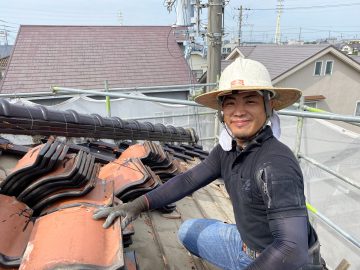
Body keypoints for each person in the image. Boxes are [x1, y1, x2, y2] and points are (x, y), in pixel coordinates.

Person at [93, 58, 325, 270]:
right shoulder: (230, 149)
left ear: (268, 106)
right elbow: (189, 179)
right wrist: (136, 205)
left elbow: (292, 249)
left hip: (286, 264)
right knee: (187, 231)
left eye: (251, 101)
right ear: (222, 112)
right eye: (230, 103)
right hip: (246, 247)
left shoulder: (276, 164)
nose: (239, 112)